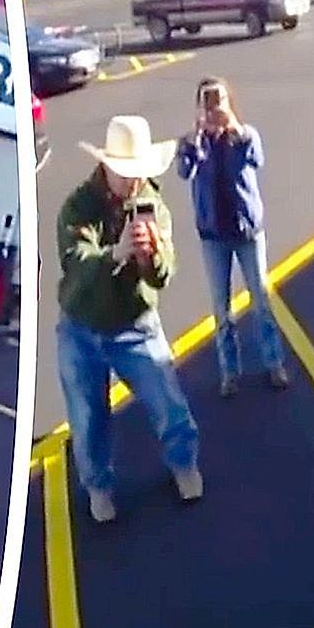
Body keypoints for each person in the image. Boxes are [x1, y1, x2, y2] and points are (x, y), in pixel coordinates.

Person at [55, 115, 201, 523]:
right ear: (107, 166)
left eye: (141, 175)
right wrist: (116, 253)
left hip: (135, 325)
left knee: (169, 404)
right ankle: (99, 487)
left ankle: (183, 464)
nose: (135, 184)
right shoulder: (78, 206)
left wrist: (149, 256)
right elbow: (76, 263)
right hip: (80, 328)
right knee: (88, 419)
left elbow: (164, 273)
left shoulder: (154, 206)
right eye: (127, 174)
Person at [176, 76, 289, 398]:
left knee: (261, 301)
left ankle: (274, 363)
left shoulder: (245, 136)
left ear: (229, 104)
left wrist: (235, 128)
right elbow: (185, 172)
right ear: (198, 108)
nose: (213, 109)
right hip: (213, 236)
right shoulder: (190, 143)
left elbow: (258, 159)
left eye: (219, 101)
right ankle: (229, 372)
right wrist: (197, 140)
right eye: (207, 102)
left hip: (248, 231)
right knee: (221, 309)